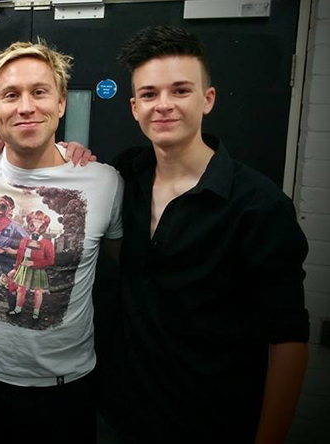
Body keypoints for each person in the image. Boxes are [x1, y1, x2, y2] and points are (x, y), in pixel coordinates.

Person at [94, 26, 310, 444]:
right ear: (134, 107)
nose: (164, 106)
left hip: (211, 422)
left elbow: (288, 339)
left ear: (207, 99)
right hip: (119, 416)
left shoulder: (259, 205)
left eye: (180, 91)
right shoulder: (124, 176)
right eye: (150, 94)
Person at [0, 41, 122, 443]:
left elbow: (122, 264)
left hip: (65, 389)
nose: (26, 106)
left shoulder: (104, 182)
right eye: (11, 96)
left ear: (62, 104)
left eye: (39, 92)